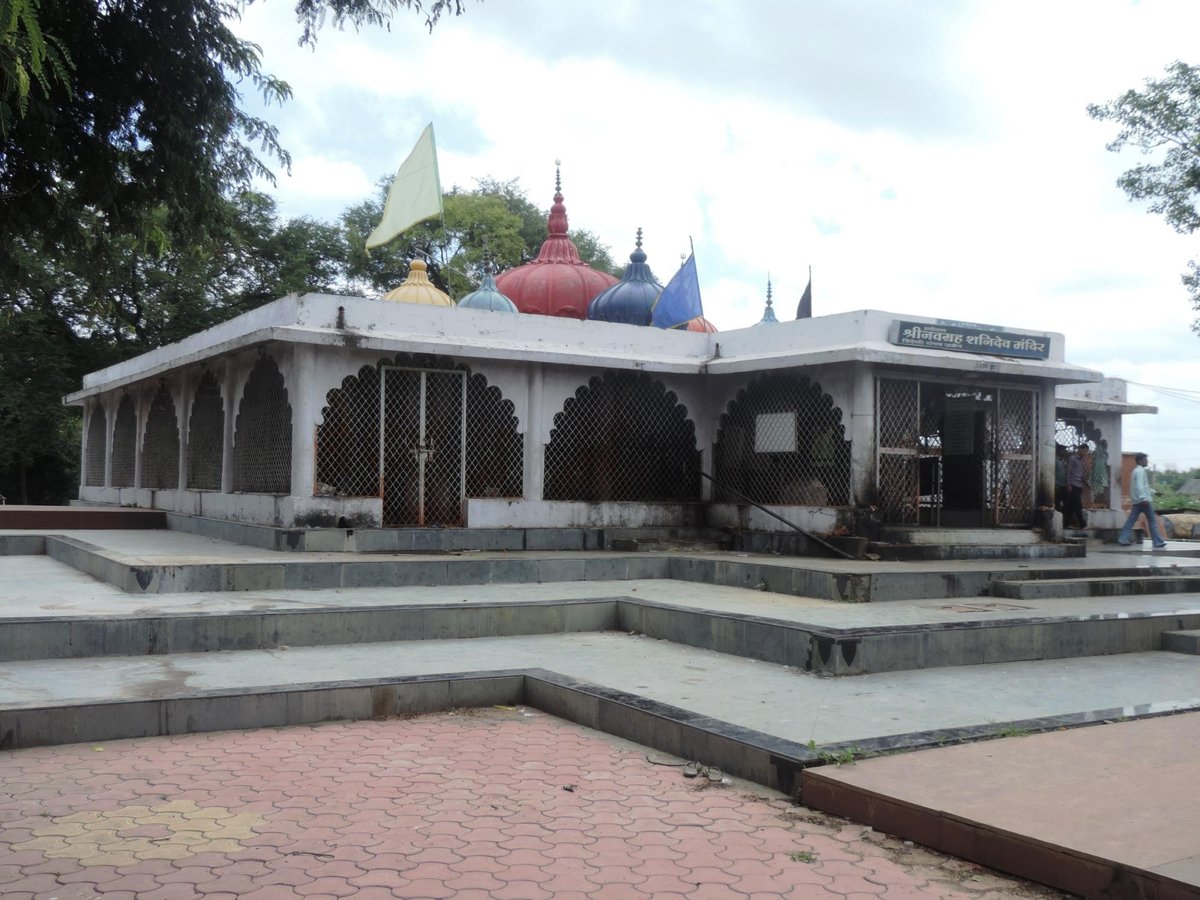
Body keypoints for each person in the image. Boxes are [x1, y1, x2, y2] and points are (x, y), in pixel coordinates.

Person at [1118, 452, 1167, 549]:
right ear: (1140, 461)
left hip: (1137, 501)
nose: (1147, 461)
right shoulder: (1140, 471)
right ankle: (1157, 541)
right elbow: (1140, 486)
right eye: (1145, 460)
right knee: (1152, 520)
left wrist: (1154, 492)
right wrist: (1144, 498)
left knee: (1131, 521)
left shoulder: (1135, 471)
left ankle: (1122, 538)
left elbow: (1143, 487)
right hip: (1143, 501)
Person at [1065, 445, 1087, 529]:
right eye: (1084, 451)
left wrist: (1085, 483)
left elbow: (1081, 474)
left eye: (1087, 451)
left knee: (1072, 505)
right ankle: (1082, 523)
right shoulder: (1072, 458)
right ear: (1080, 450)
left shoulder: (1082, 460)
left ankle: (1066, 523)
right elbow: (1068, 472)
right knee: (1078, 505)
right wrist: (1069, 484)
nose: (1086, 453)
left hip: (1079, 484)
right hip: (1073, 484)